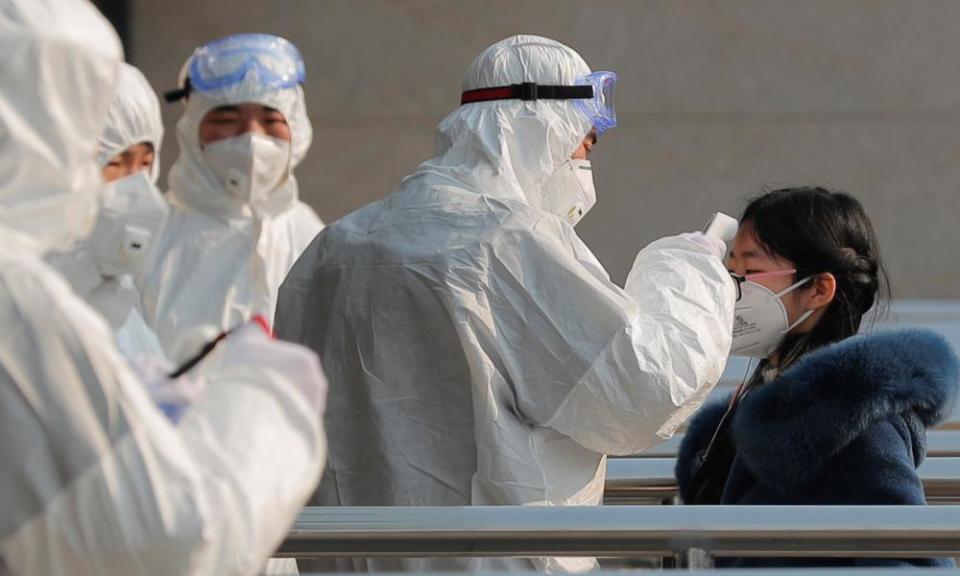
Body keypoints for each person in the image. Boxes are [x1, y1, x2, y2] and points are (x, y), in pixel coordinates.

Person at [276, 34, 735, 572]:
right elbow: (642, 392)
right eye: (585, 145)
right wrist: (687, 265)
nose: (585, 165)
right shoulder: (509, 240)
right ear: (547, 128)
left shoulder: (337, 245)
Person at [0, 1, 328, 574]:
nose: (249, 140)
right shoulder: (26, 301)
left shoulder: (317, 237)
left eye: (140, 161)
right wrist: (263, 395)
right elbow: (170, 532)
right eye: (103, 153)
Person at [675, 187, 958, 568]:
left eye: (752, 271)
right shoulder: (777, 397)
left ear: (818, 289)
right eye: (731, 269)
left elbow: (906, 555)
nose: (731, 286)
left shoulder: (852, 416)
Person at [141, 33, 323, 354]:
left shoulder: (312, 237)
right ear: (191, 127)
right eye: (226, 119)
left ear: (298, 127)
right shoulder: (150, 235)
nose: (251, 137)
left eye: (270, 119)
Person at [47, 62, 168, 361]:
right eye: (114, 163)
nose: (135, 185)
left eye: (145, 164)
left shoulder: (127, 286)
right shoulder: (31, 280)